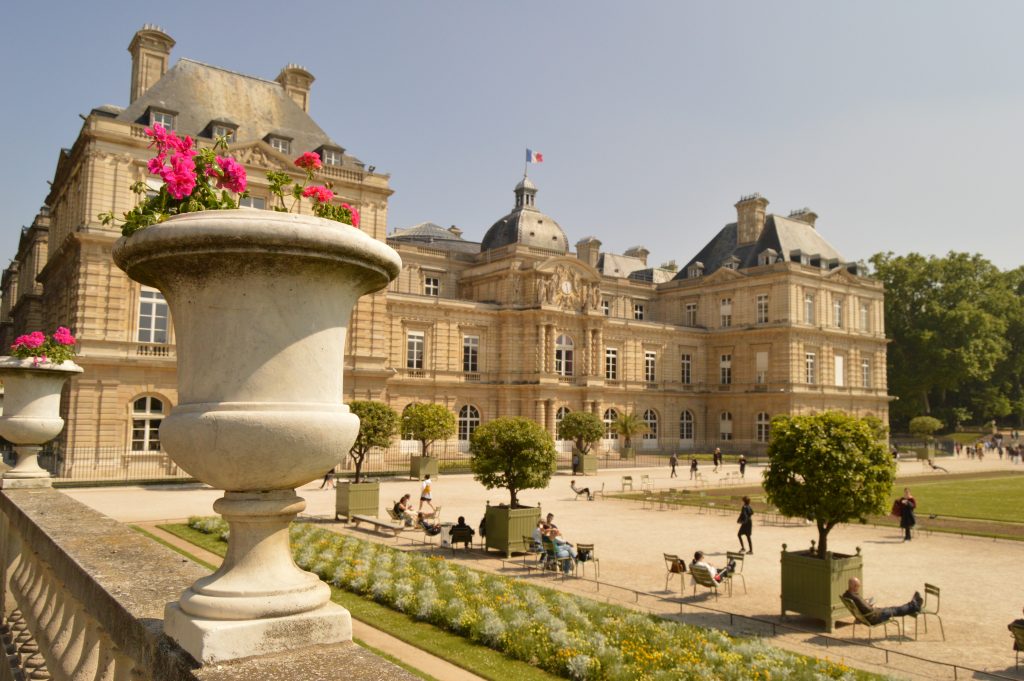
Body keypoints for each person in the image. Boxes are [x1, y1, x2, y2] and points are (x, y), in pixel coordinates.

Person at [842, 577, 921, 624]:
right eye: (858, 586)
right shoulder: (856, 597)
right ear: (854, 586)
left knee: (893, 608)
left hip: (870, 615)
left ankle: (912, 605)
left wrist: (866, 602)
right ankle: (913, 606)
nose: (858, 588)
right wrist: (870, 604)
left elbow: (861, 606)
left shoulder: (847, 595)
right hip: (875, 617)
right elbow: (868, 609)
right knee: (895, 610)